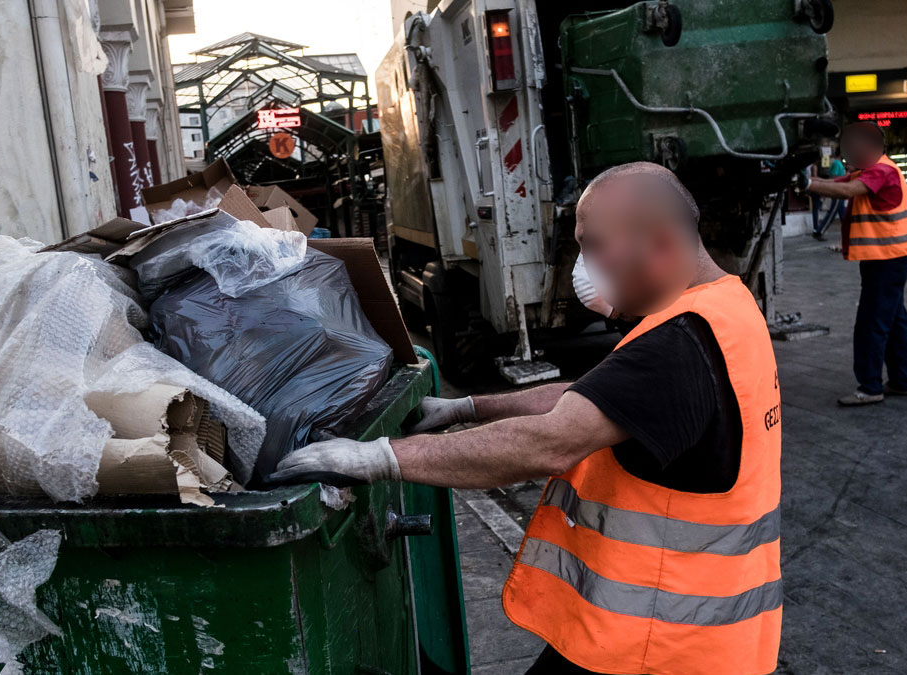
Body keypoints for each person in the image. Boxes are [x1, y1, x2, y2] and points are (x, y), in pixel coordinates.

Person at [273, 163, 784, 675]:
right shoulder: (726, 310)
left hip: (656, 644)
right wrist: (470, 406)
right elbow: (593, 400)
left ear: (660, 243)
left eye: (594, 244)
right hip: (684, 631)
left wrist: (377, 458)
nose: (583, 265)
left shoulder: (677, 344)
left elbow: (549, 442)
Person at [804, 122, 907, 405]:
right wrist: (810, 184)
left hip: (887, 258)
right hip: (889, 256)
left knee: (872, 321)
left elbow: (847, 191)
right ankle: (902, 380)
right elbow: (838, 183)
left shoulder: (881, 171)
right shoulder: (875, 168)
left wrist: (807, 183)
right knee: (894, 318)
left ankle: (870, 386)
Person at [811, 148, 848, 240]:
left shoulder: (838, 163)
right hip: (838, 191)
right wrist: (846, 176)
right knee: (832, 213)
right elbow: (834, 178)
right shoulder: (836, 164)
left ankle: (849, 232)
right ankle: (819, 231)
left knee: (843, 214)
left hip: (840, 190)